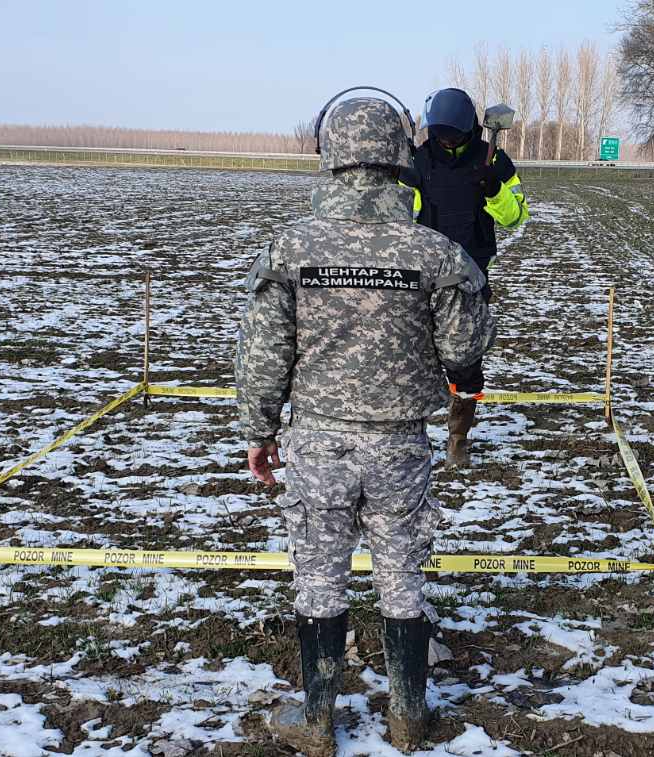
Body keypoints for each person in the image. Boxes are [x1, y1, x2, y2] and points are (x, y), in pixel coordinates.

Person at [235, 94, 495, 756]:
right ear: (400, 160)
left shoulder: (291, 249)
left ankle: (317, 720)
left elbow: (264, 355)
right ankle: (409, 719)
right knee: (401, 574)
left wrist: (259, 432)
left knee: (318, 572)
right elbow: (466, 349)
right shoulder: (432, 253)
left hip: (316, 439)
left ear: (332, 159)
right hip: (401, 443)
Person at [399, 88, 528, 468]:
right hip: (422, 276)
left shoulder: (495, 162)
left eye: (453, 134)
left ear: (471, 129)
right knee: (411, 357)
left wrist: (495, 191)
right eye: (439, 134)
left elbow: (515, 217)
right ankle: (410, 434)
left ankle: (458, 436)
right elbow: (403, 218)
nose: (446, 141)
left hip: (469, 277)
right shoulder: (418, 163)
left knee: (466, 362)